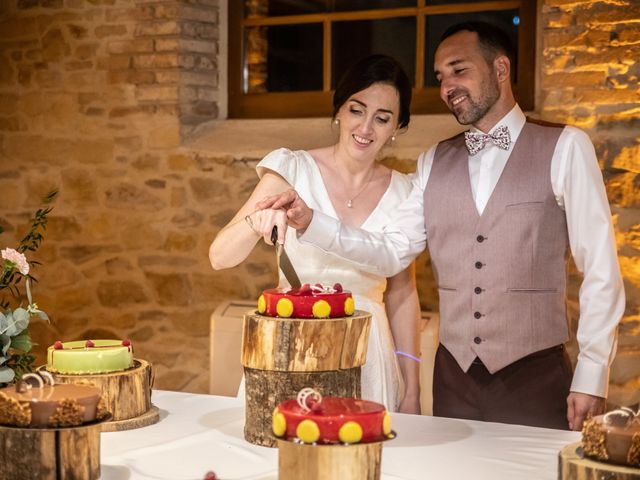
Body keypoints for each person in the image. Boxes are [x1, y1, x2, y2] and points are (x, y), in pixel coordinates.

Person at [256, 22, 625, 430]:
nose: (448, 85)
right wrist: (312, 222)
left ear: (500, 69)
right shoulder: (433, 161)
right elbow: (391, 251)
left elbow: (602, 270)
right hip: (453, 379)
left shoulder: (566, 146)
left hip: (535, 376)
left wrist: (593, 374)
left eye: (459, 70)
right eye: (440, 77)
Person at [209, 54, 422, 414]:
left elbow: (403, 294)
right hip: (293, 345)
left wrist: (413, 388)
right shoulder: (292, 169)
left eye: (382, 118)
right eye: (357, 110)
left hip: (369, 355)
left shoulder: (405, 193)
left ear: (397, 126)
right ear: (339, 110)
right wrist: (255, 221)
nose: (366, 128)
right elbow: (219, 257)